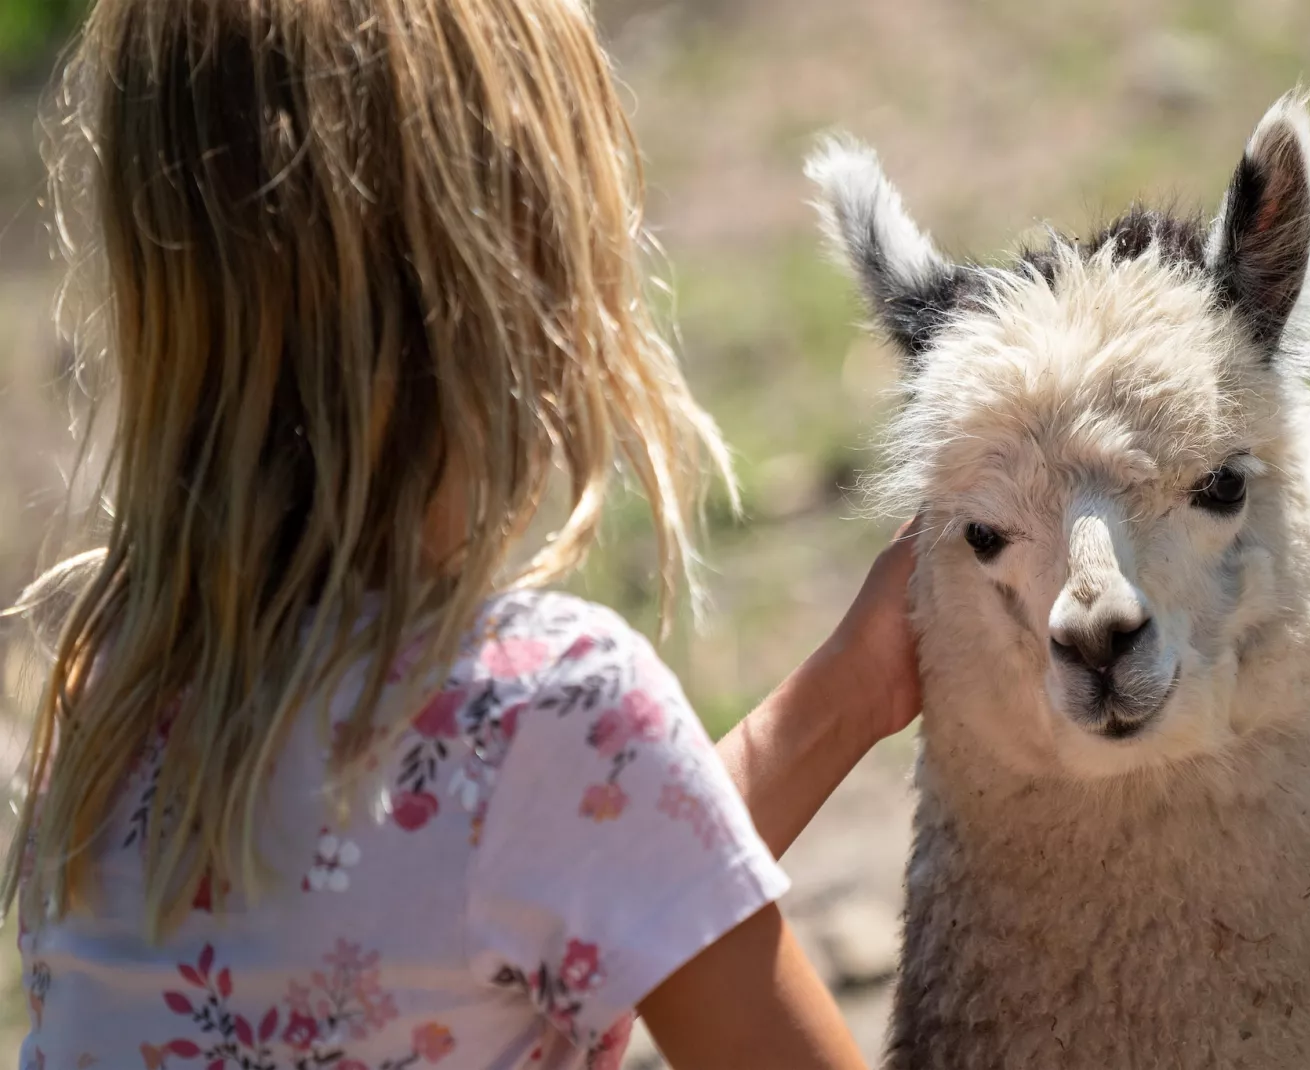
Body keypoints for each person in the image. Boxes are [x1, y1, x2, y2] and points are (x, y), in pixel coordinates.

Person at [0, 1, 922, 1067]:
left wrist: (850, 693)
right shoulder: (551, 709)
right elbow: (548, 832)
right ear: (521, 260)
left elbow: (539, 877)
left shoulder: (110, 695)